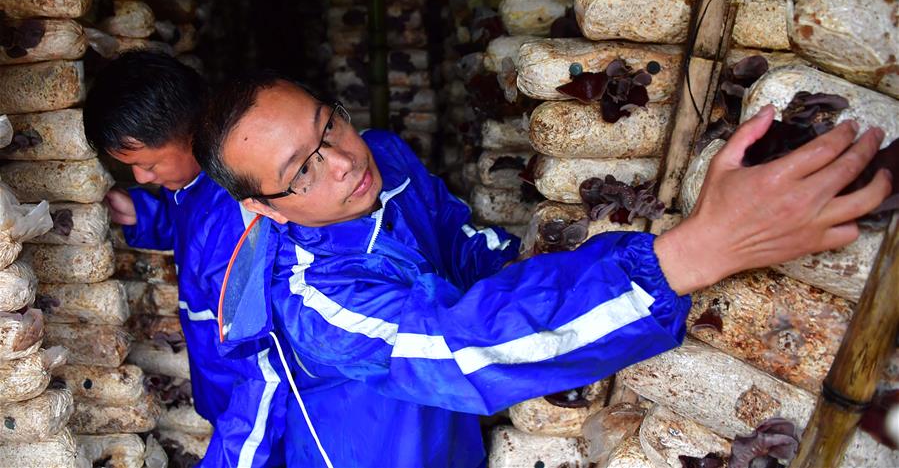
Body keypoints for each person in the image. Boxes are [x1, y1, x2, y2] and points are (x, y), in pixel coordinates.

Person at [194, 73, 892, 468]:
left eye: (328, 127)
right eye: (303, 168)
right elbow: (462, 343)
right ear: (265, 207)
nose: (341, 162)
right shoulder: (314, 298)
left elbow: (462, 246)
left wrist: (563, 255)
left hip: (449, 441)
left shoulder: (384, 161)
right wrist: (688, 253)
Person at [83, 53, 289, 467]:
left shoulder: (242, 216)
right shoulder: (195, 188)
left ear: (194, 134)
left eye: (147, 164)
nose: (141, 177)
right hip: (229, 399)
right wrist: (142, 213)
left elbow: (268, 369)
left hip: (265, 419)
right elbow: (190, 227)